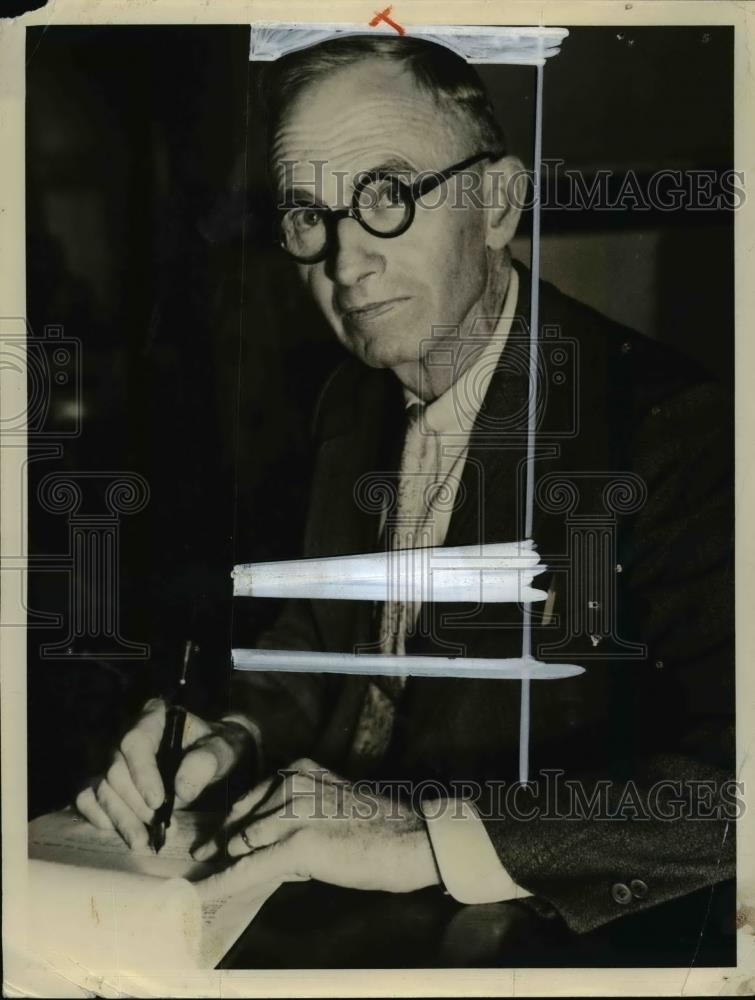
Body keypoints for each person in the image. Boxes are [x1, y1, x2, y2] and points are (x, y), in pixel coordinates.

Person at [74, 35, 735, 935]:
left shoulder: (677, 429)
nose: (345, 265)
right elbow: (324, 634)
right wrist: (229, 735)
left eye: (386, 195)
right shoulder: (351, 398)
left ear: (497, 204)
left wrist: (421, 839)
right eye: (308, 215)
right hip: (324, 886)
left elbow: (731, 787)